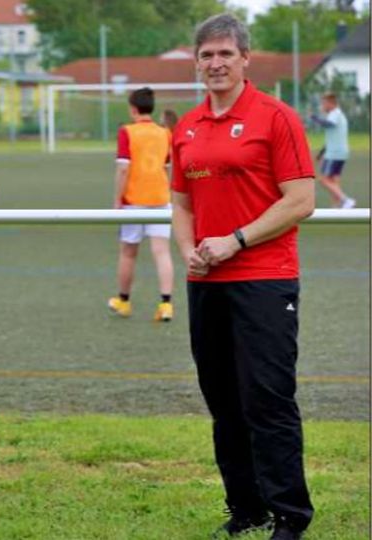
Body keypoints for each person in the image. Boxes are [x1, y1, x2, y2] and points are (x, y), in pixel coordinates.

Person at [171, 13, 315, 540]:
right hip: (206, 283)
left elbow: (301, 200)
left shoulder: (275, 117)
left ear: (245, 59)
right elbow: (181, 204)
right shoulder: (185, 128)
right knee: (223, 400)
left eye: (225, 54)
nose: (215, 63)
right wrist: (190, 251)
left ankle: (289, 516)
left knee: (267, 398)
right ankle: (246, 507)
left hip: (264, 279)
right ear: (196, 61)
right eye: (206, 55)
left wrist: (235, 240)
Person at [107, 87, 175, 322]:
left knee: (128, 253)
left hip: (134, 201)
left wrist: (117, 199)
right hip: (160, 199)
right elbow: (166, 167)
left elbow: (124, 168)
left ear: (132, 108)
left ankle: (123, 301)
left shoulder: (127, 131)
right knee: (162, 252)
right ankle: (166, 304)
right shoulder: (165, 133)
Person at [310, 92, 354, 208]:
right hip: (339, 152)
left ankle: (346, 200)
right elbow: (332, 137)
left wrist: (314, 118)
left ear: (331, 103)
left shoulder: (335, 114)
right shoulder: (336, 114)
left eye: (324, 103)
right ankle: (337, 205)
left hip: (335, 153)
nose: (322, 106)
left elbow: (328, 124)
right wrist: (321, 153)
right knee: (334, 180)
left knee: (323, 180)